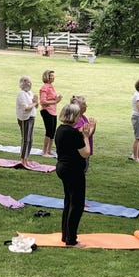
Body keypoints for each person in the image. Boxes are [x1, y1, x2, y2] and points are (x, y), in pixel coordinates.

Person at [55, 103, 92, 248]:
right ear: (74, 116)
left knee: (68, 202)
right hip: (73, 170)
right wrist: (86, 136)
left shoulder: (61, 130)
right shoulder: (73, 133)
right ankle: (71, 240)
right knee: (77, 205)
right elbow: (86, 152)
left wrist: (83, 135)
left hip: (63, 168)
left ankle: (66, 235)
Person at [16, 76, 39, 168]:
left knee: (30, 140)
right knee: (26, 139)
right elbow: (26, 108)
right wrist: (34, 103)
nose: (29, 84)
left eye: (30, 82)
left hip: (31, 117)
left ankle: (26, 159)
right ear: (23, 84)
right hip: (24, 118)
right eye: (27, 83)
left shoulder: (30, 93)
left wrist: (36, 102)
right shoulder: (21, 94)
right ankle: (22, 160)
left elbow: (35, 106)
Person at [39, 70, 63, 157]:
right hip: (46, 111)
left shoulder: (51, 86)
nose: (52, 77)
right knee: (49, 131)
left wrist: (57, 98)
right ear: (46, 77)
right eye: (50, 76)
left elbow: (52, 98)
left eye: (53, 76)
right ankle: (44, 151)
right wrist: (55, 101)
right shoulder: (44, 88)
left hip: (53, 112)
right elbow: (42, 101)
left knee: (53, 132)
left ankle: (49, 150)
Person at [71, 95, 97, 171]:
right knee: (80, 170)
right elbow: (83, 135)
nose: (86, 106)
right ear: (79, 107)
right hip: (81, 150)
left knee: (84, 168)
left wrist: (93, 127)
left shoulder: (83, 117)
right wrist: (91, 127)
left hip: (86, 148)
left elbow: (90, 133)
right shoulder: (77, 120)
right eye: (84, 104)